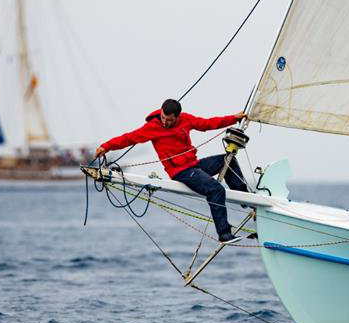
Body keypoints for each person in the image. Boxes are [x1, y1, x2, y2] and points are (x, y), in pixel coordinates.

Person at [95, 99, 250, 244]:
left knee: (227, 160)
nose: (165, 122)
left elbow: (207, 124)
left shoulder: (186, 119)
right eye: (163, 118)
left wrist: (234, 118)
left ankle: (245, 199)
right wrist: (105, 146)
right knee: (216, 190)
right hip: (180, 171)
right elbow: (129, 138)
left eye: (169, 120)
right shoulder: (153, 127)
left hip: (194, 165)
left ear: (177, 117)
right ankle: (224, 233)